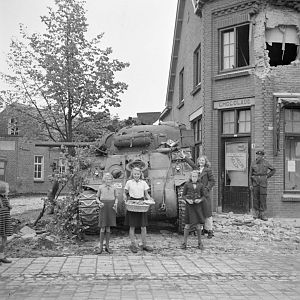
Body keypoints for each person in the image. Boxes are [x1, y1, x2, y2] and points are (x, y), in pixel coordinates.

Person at [181, 151, 216, 238]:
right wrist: (184, 156)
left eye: (203, 160)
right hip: (197, 194)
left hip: (205, 194)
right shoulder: (196, 168)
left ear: (205, 162)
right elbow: (191, 163)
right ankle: (202, 230)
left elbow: (212, 181)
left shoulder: (208, 170)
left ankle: (210, 230)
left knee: (207, 212)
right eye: (200, 160)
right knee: (199, 211)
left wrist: (207, 188)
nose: (201, 162)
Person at [124, 167, 153, 253]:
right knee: (132, 225)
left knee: (143, 226)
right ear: (132, 174)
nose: (136, 175)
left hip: (141, 203)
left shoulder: (143, 183)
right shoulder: (129, 182)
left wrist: (150, 199)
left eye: (138, 174)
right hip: (132, 203)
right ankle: (133, 244)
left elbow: (146, 194)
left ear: (140, 174)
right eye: (135, 174)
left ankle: (144, 244)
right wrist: (124, 197)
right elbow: (125, 192)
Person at [181, 170, 207, 250]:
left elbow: (204, 196)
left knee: (198, 225)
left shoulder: (201, 185)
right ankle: (184, 243)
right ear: (190, 177)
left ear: (198, 177)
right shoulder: (187, 184)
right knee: (187, 224)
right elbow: (183, 195)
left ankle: (200, 243)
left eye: (195, 176)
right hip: (190, 206)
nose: (194, 178)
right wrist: (187, 200)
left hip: (198, 206)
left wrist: (200, 200)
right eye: (193, 176)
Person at [249, 150, 276, 221]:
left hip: (263, 183)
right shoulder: (253, 163)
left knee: (263, 199)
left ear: (263, 156)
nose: (259, 156)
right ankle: (256, 213)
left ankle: (263, 214)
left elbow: (273, 170)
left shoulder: (266, 163)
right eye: (257, 155)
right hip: (255, 182)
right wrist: (251, 184)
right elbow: (250, 175)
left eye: (260, 155)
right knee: (255, 198)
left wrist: (267, 176)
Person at [96, 173, 118, 254]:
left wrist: (115, 203)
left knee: (108, 227)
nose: (108, 181)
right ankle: (101, 247)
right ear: (104, 180)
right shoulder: (101, 187)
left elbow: (116, 198)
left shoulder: (114, 187)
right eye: (107, 179)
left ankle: (107, 246)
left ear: (112, 180)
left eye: (110, 179)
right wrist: (99, 203)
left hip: (111, 207)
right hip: (103, 206)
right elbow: (97, 197)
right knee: (103, 227)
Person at [0, 181, 13, 265]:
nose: (8, 191)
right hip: (2, 220)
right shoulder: (3, 198)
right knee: (3, 237)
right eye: (7, 189)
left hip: (4, 220)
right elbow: (9, 207)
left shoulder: (5, 198)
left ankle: (1, 256)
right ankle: (1, 256)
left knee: (4, 238)